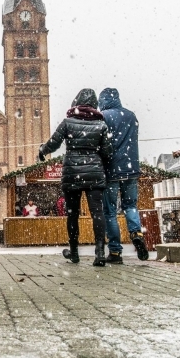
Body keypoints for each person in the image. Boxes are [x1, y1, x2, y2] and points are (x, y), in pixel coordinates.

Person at [39, 88, 113, 266]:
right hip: (94, 173)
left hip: (73, 173)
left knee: (72, 214)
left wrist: (42, 150)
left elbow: (53, 143)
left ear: (77, 102)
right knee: (97, 213)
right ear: (94, 103)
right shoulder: (101, 125)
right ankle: (100, 253)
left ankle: (73, 252)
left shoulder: (68, 122)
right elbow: (108, 152)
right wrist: (96, 159)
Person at [98, 87, 148, 263]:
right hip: (131, 169)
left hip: (111, 170)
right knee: (130, 206)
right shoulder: (131, 115)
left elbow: (101, 143)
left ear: (103, 100)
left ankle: (115, 252)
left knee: (110, 212)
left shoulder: (103, 117)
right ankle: (136, 232)